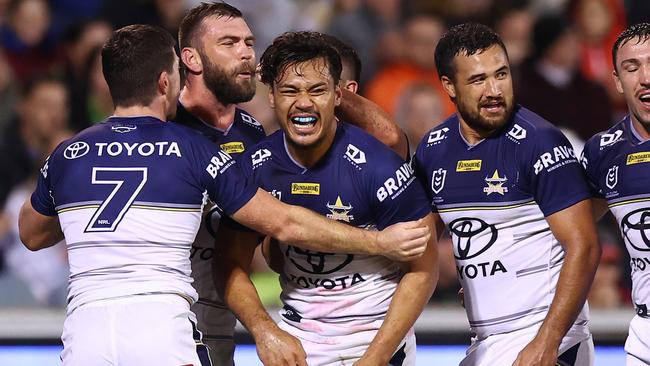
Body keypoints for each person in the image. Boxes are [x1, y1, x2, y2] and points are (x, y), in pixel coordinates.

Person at [17, 24, 431, 366]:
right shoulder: (194, 149)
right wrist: (377, 242)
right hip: (161, 328)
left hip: (85, 331)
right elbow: (284, 221)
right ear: (166, 81)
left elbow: (31, 235)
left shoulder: (69, 154)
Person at [174, 3, 410, 364]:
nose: (245, 53)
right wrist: (378, 243)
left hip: (219, 313)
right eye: (230, 43)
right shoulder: (162, 125)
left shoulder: (250, 133)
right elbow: (284, 224)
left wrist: (317, 82)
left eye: (249, 43)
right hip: (172, 307)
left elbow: (390, 138)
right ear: (191, 57)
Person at [213, 31, 439, 366]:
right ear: (272, 96)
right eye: (290, 90)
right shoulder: (253, 167)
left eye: (317, 90)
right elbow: (229, 262)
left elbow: (424, 270)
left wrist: (375, 358)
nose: (304, 102)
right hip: (299, 343)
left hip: (376, 340)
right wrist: (264, 330)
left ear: (337, 96)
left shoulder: (379, 165)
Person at [412, 23, 601, 366]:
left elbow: (584, 247)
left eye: (501, 74)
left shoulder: (539, 142)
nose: (494, 90)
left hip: (546, 337)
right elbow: (419, 247)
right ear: (449, 86)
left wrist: (548, 343)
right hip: (487, 340)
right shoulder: (433, 149)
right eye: (478, 80)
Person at [581, 22, 650, 366]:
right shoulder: (602, 152)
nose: (646, 77)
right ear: (616, 80)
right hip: (644, 335)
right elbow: (568, 235)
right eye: (632, 67)